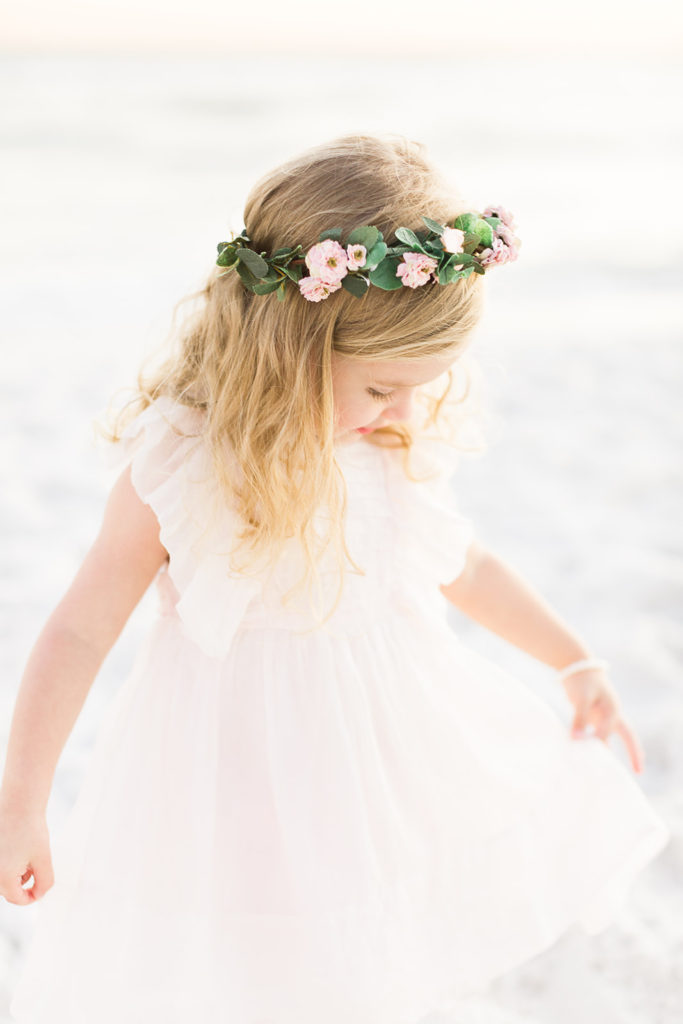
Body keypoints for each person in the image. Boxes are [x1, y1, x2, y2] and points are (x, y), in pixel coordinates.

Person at [1, 133, 670, 1024]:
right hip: (220, 776)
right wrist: (24, 802)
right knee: (233, 966)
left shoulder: (387, 451)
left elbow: (464, 568)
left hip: (370, 772)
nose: (404, 411)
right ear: (290, 346)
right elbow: (80, 630)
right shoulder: (184, 460)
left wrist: (574, 660)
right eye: (383, 387)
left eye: (419, 388)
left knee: (358, 966)